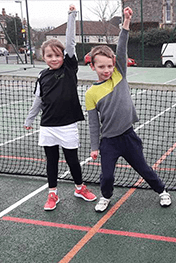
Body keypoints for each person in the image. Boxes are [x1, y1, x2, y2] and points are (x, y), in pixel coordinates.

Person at [85, 7, 171, 213]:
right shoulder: (90, 94)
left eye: (109, 66)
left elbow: (121, 47)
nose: (106, 70)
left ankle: (162, 191)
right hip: (109, 142)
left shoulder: (119, 74)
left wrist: (126, 22)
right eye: (101, 67)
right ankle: (105, 197)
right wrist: (95, 147)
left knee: (144, 169)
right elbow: (93, 123)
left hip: (128, 137)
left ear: (114, 64)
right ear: (93, 67)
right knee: (106, 176)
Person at [24, 5, 96, 211]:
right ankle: (52, 194)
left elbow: (71, 43)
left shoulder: (69, 68)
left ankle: (79, 188)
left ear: (63, 56)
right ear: (43, 57)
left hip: (68, 125)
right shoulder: (42, 76)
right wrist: (30, 119)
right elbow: (38, 101)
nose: (54, 58)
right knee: (52, 161)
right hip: (48, 126)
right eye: (49, 56)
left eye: (57, 55)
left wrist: (71, 16)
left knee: (72, 159)